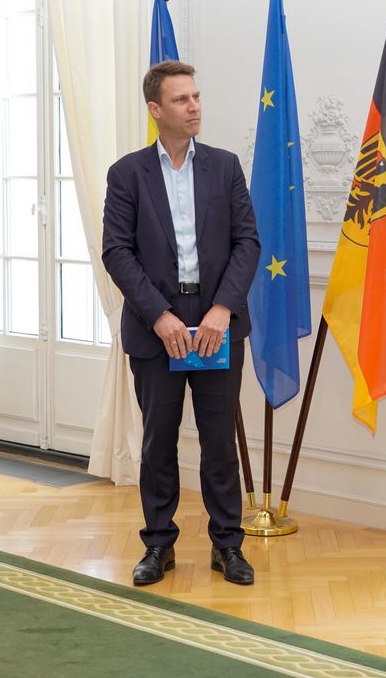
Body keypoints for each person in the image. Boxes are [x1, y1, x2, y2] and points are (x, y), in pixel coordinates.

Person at [102, 61, 261, 587]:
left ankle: (228, 546)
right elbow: (117, 252)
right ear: (156, 109)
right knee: (157, 444)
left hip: (216, 323)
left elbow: (247, 243)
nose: (194, 107)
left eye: (196, 97)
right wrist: (159, 316)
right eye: (181, 100)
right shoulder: (127, 174)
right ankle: (158, 545)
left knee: (220, 443)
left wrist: (223, 309)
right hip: (157, 330)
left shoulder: (225, 166)